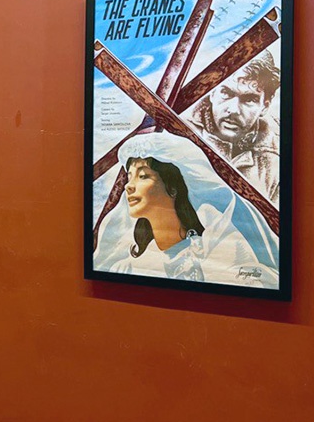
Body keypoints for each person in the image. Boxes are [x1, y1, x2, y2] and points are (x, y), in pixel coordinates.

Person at [93, 131, 279, 288]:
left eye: (143, 176)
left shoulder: (217, 249)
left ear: (173, 188)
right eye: (129, 177)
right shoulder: (129, 267)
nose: (128, 186)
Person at [188, 50, 280, 203]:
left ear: (265, 106)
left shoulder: (276, 160)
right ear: (212, 93)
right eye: (226, 93)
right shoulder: (175, 135)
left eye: (249, 99)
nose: (233, 110)